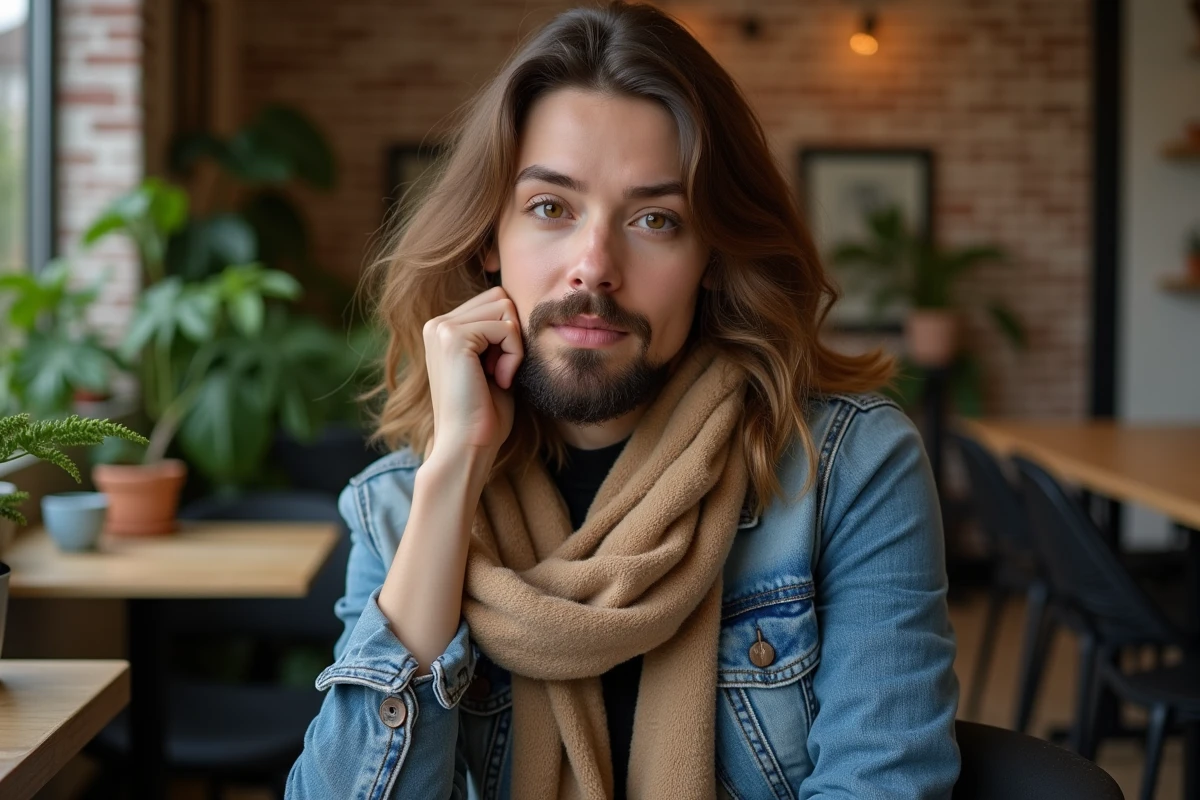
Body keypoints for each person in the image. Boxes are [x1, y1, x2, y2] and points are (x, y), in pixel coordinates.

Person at [286, 3, 959, 798]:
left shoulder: (847, 470)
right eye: (550, 208)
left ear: (713, 255)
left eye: (655, 219)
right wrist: (454, 472)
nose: (594, 265)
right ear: (487, 240)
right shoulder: (402, 504)